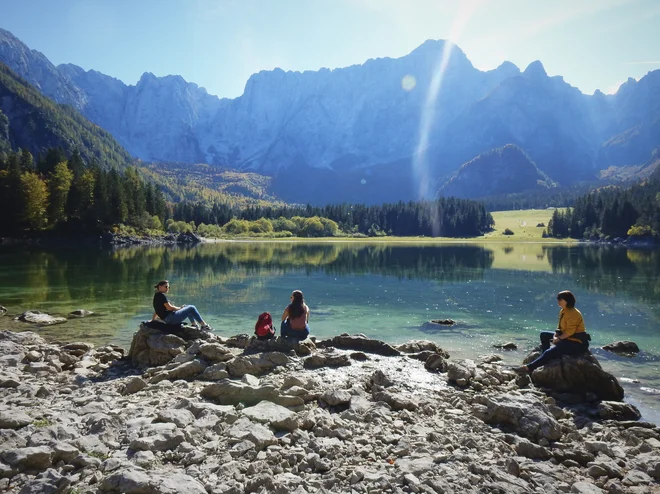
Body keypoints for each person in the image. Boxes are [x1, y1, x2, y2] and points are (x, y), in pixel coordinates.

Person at [515, 290, 590, 374]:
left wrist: (558, 339)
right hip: (567, 338)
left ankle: (528, 368)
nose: (558, 301)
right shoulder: (563, 311)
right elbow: (559, 328)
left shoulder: (573, 313)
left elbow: (570, 332)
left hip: (577, 343)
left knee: (551, 351)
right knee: (544, 335)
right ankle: (544, 357)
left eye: (560, 300)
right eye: (558, 299)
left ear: (567, 301)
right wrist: (555, 336)